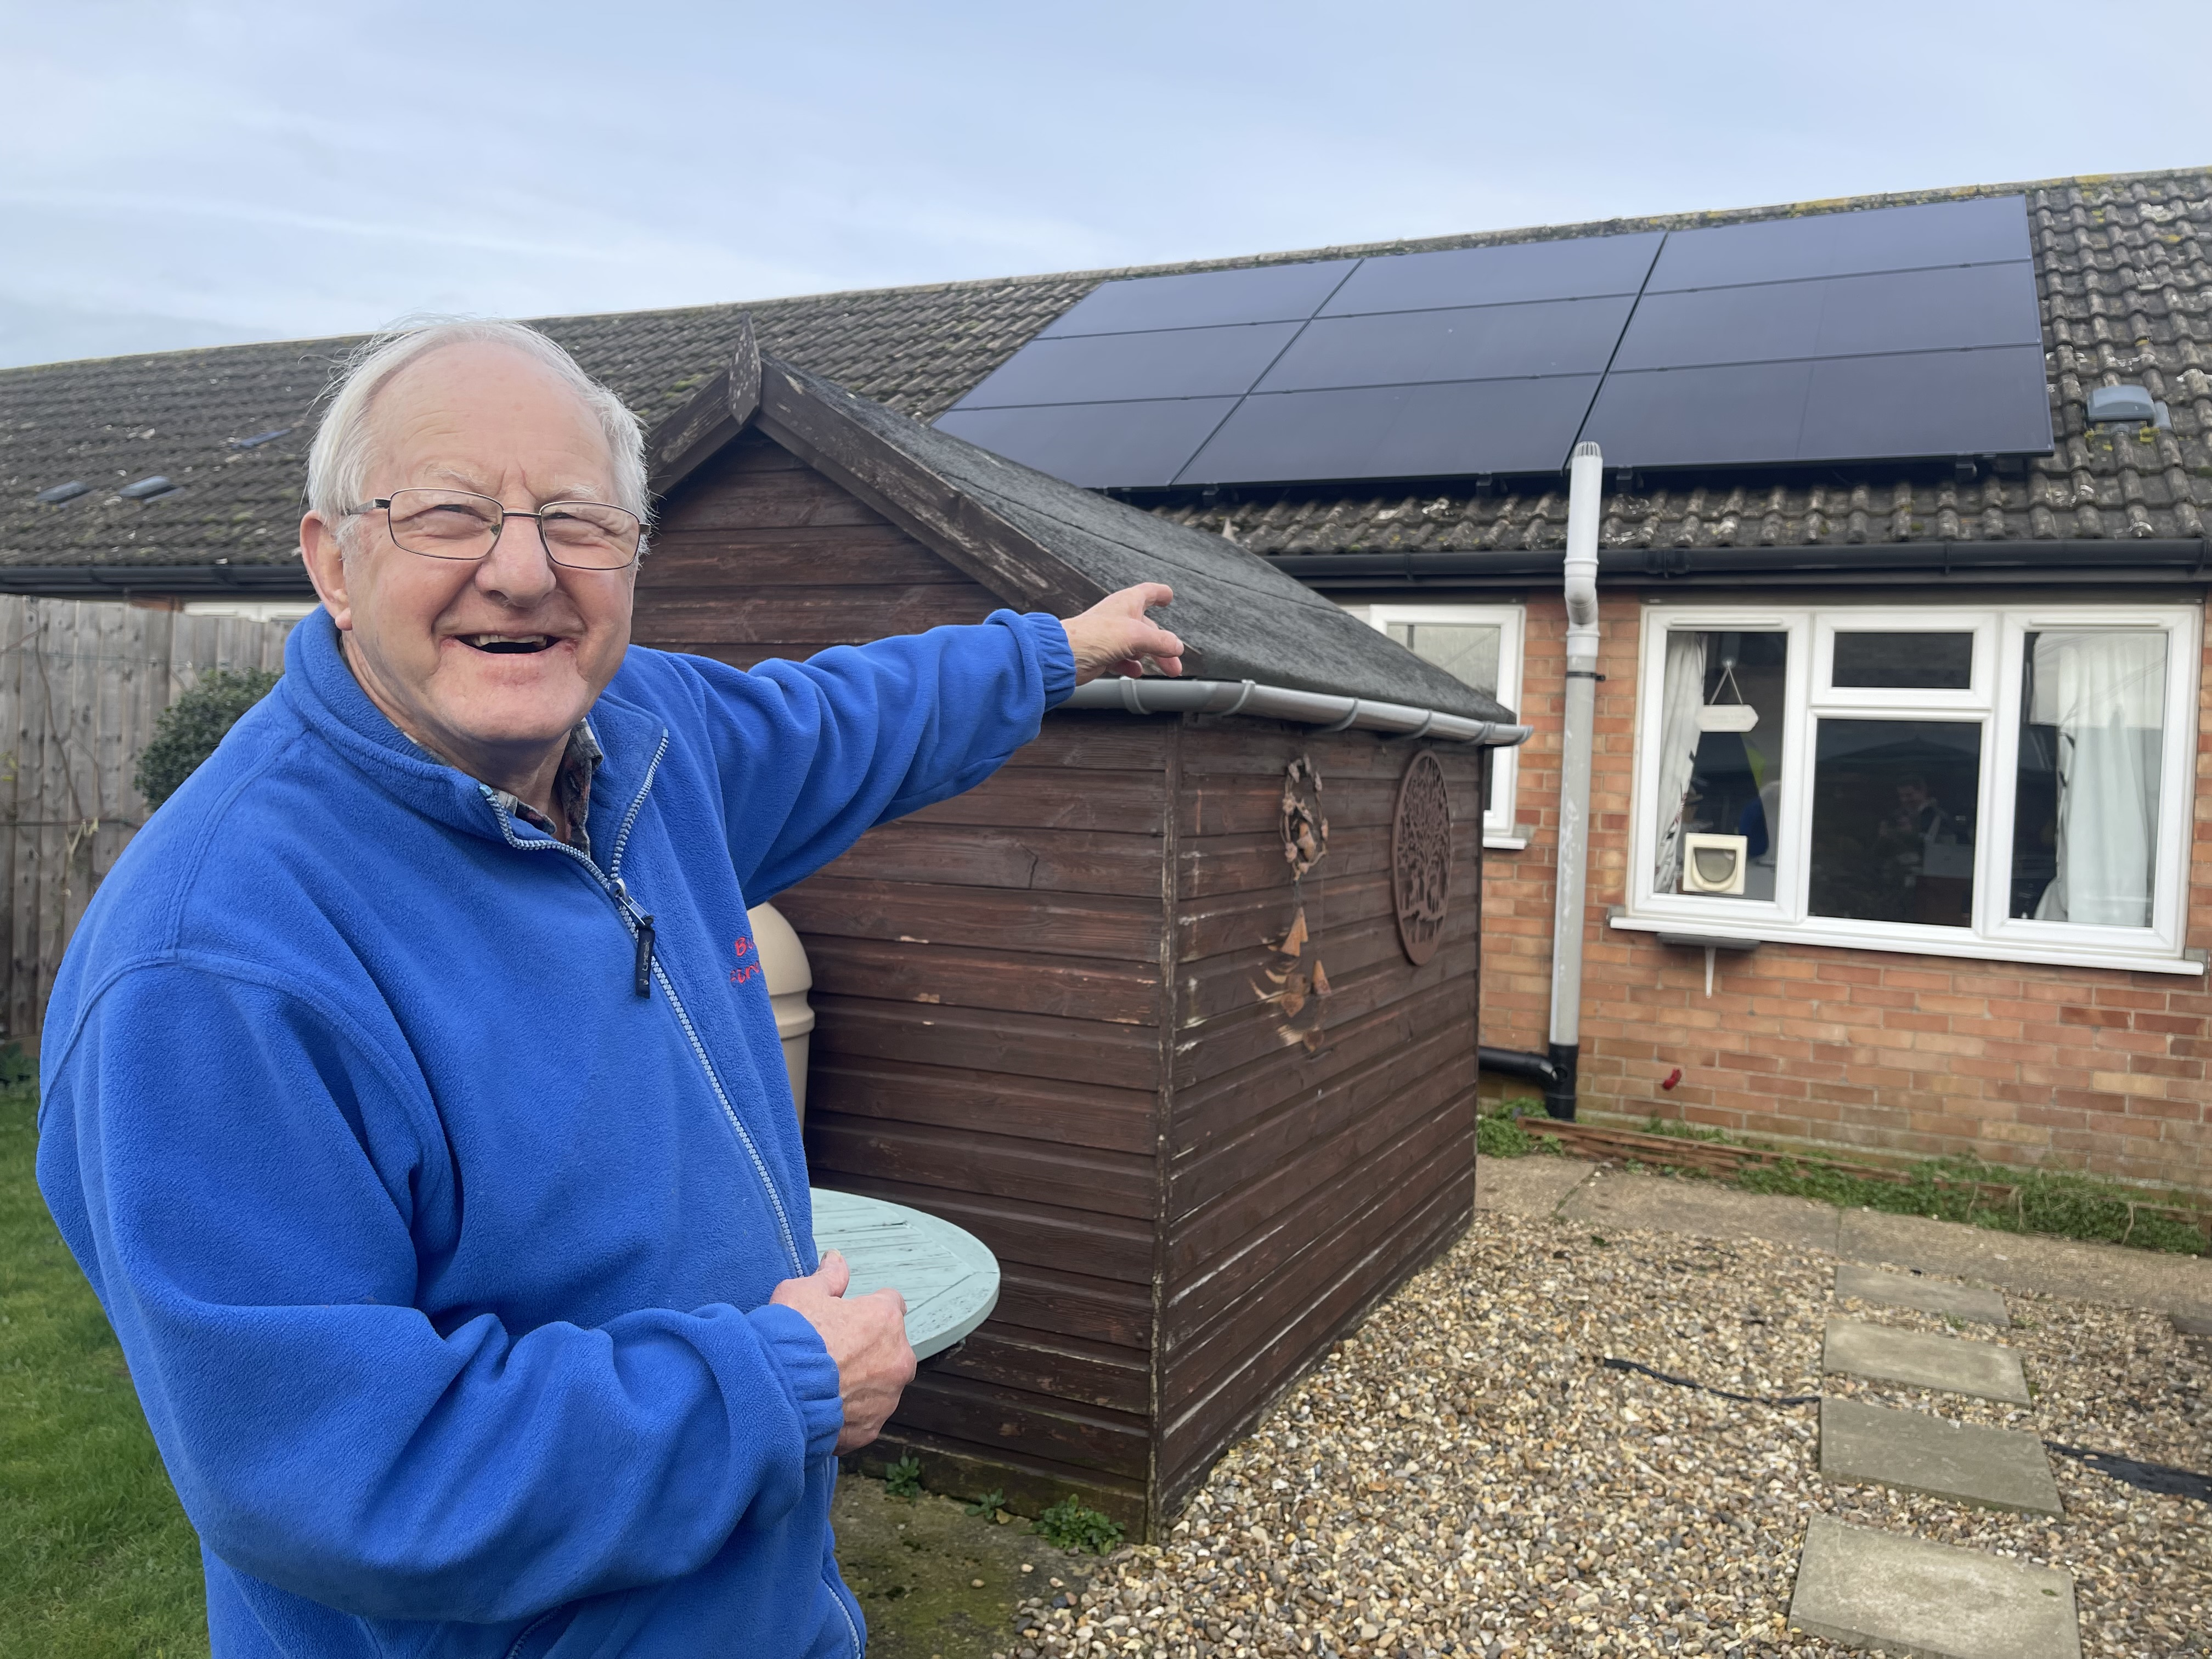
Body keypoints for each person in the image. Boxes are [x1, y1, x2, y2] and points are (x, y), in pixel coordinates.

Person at [35, 319, 1185, 1659]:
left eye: (578, 520)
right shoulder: (216, 968)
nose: (522, 573)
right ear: (331, 563)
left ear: (634, 557)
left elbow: (846, 716)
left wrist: (1051, 653)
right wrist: (774, 1384)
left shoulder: (642, 742)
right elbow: (347, 1468)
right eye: (448, 514)